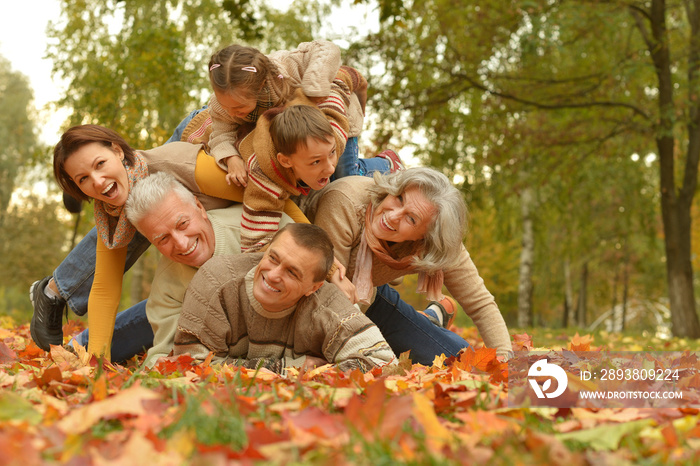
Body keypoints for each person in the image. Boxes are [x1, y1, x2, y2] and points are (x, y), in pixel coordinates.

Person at [30, 125, 305, 360]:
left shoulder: (179, 166)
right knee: (165, 307)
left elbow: (271, 194)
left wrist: (321, 253)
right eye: (83, 179)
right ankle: (79, 348)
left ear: (116, 151)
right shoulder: (110, 216)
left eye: (100, 164)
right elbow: (104, 289)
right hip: (201, 267)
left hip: (251, 236)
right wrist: (95, 363)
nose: (98, 182)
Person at [297, 167, 514, 363]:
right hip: (324, 299)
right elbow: (332, 298)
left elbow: (479, 302)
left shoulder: (436, 245)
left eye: (411, 219)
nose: (392, 216)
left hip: (368, 298)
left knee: (459, 359)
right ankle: (426, 320)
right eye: (399, 198)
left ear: (426, 238)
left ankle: (425, 321)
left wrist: (506, 360)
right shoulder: (345, 201)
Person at [173, 223, 397, 374]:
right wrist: (295, 368)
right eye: (272, 258)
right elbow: (192, 368)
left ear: (314, 287)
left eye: (292, 272)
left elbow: (384, 363)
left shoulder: (327, 303)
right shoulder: (216, 281)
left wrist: (320, 374)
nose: (273, 275)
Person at [171, 42, 403, 185]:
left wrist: (314, 86)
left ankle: (385, 165)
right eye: (225, 105)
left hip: (330, 122)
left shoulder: (287, 68)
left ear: (260, 86)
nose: (232, 113)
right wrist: (231, 160)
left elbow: (325, 49)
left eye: (239, 107)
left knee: (343, 177)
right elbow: (221, 133)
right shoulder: (222, 105)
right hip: (295, 135)